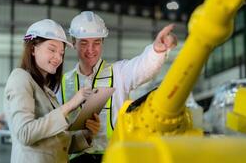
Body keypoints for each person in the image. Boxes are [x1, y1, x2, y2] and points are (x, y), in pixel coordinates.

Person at [57, 11, 178, 163]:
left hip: (115, 156)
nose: (91, 49)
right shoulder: (61, 83)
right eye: (84, 43)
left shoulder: (119, 73)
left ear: (102, 43)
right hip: (76, 159)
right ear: (73, 43)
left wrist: (157, 51)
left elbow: (143, 67)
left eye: (96, 42)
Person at [4, 19, 101, 163]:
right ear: (32, 49)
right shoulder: (20, 77)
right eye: (52, 49)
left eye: (61, 53)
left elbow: (56, 145)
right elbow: (25, 133)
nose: (58, 58)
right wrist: (70, 104)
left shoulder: (45, 90)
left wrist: (87, 134)